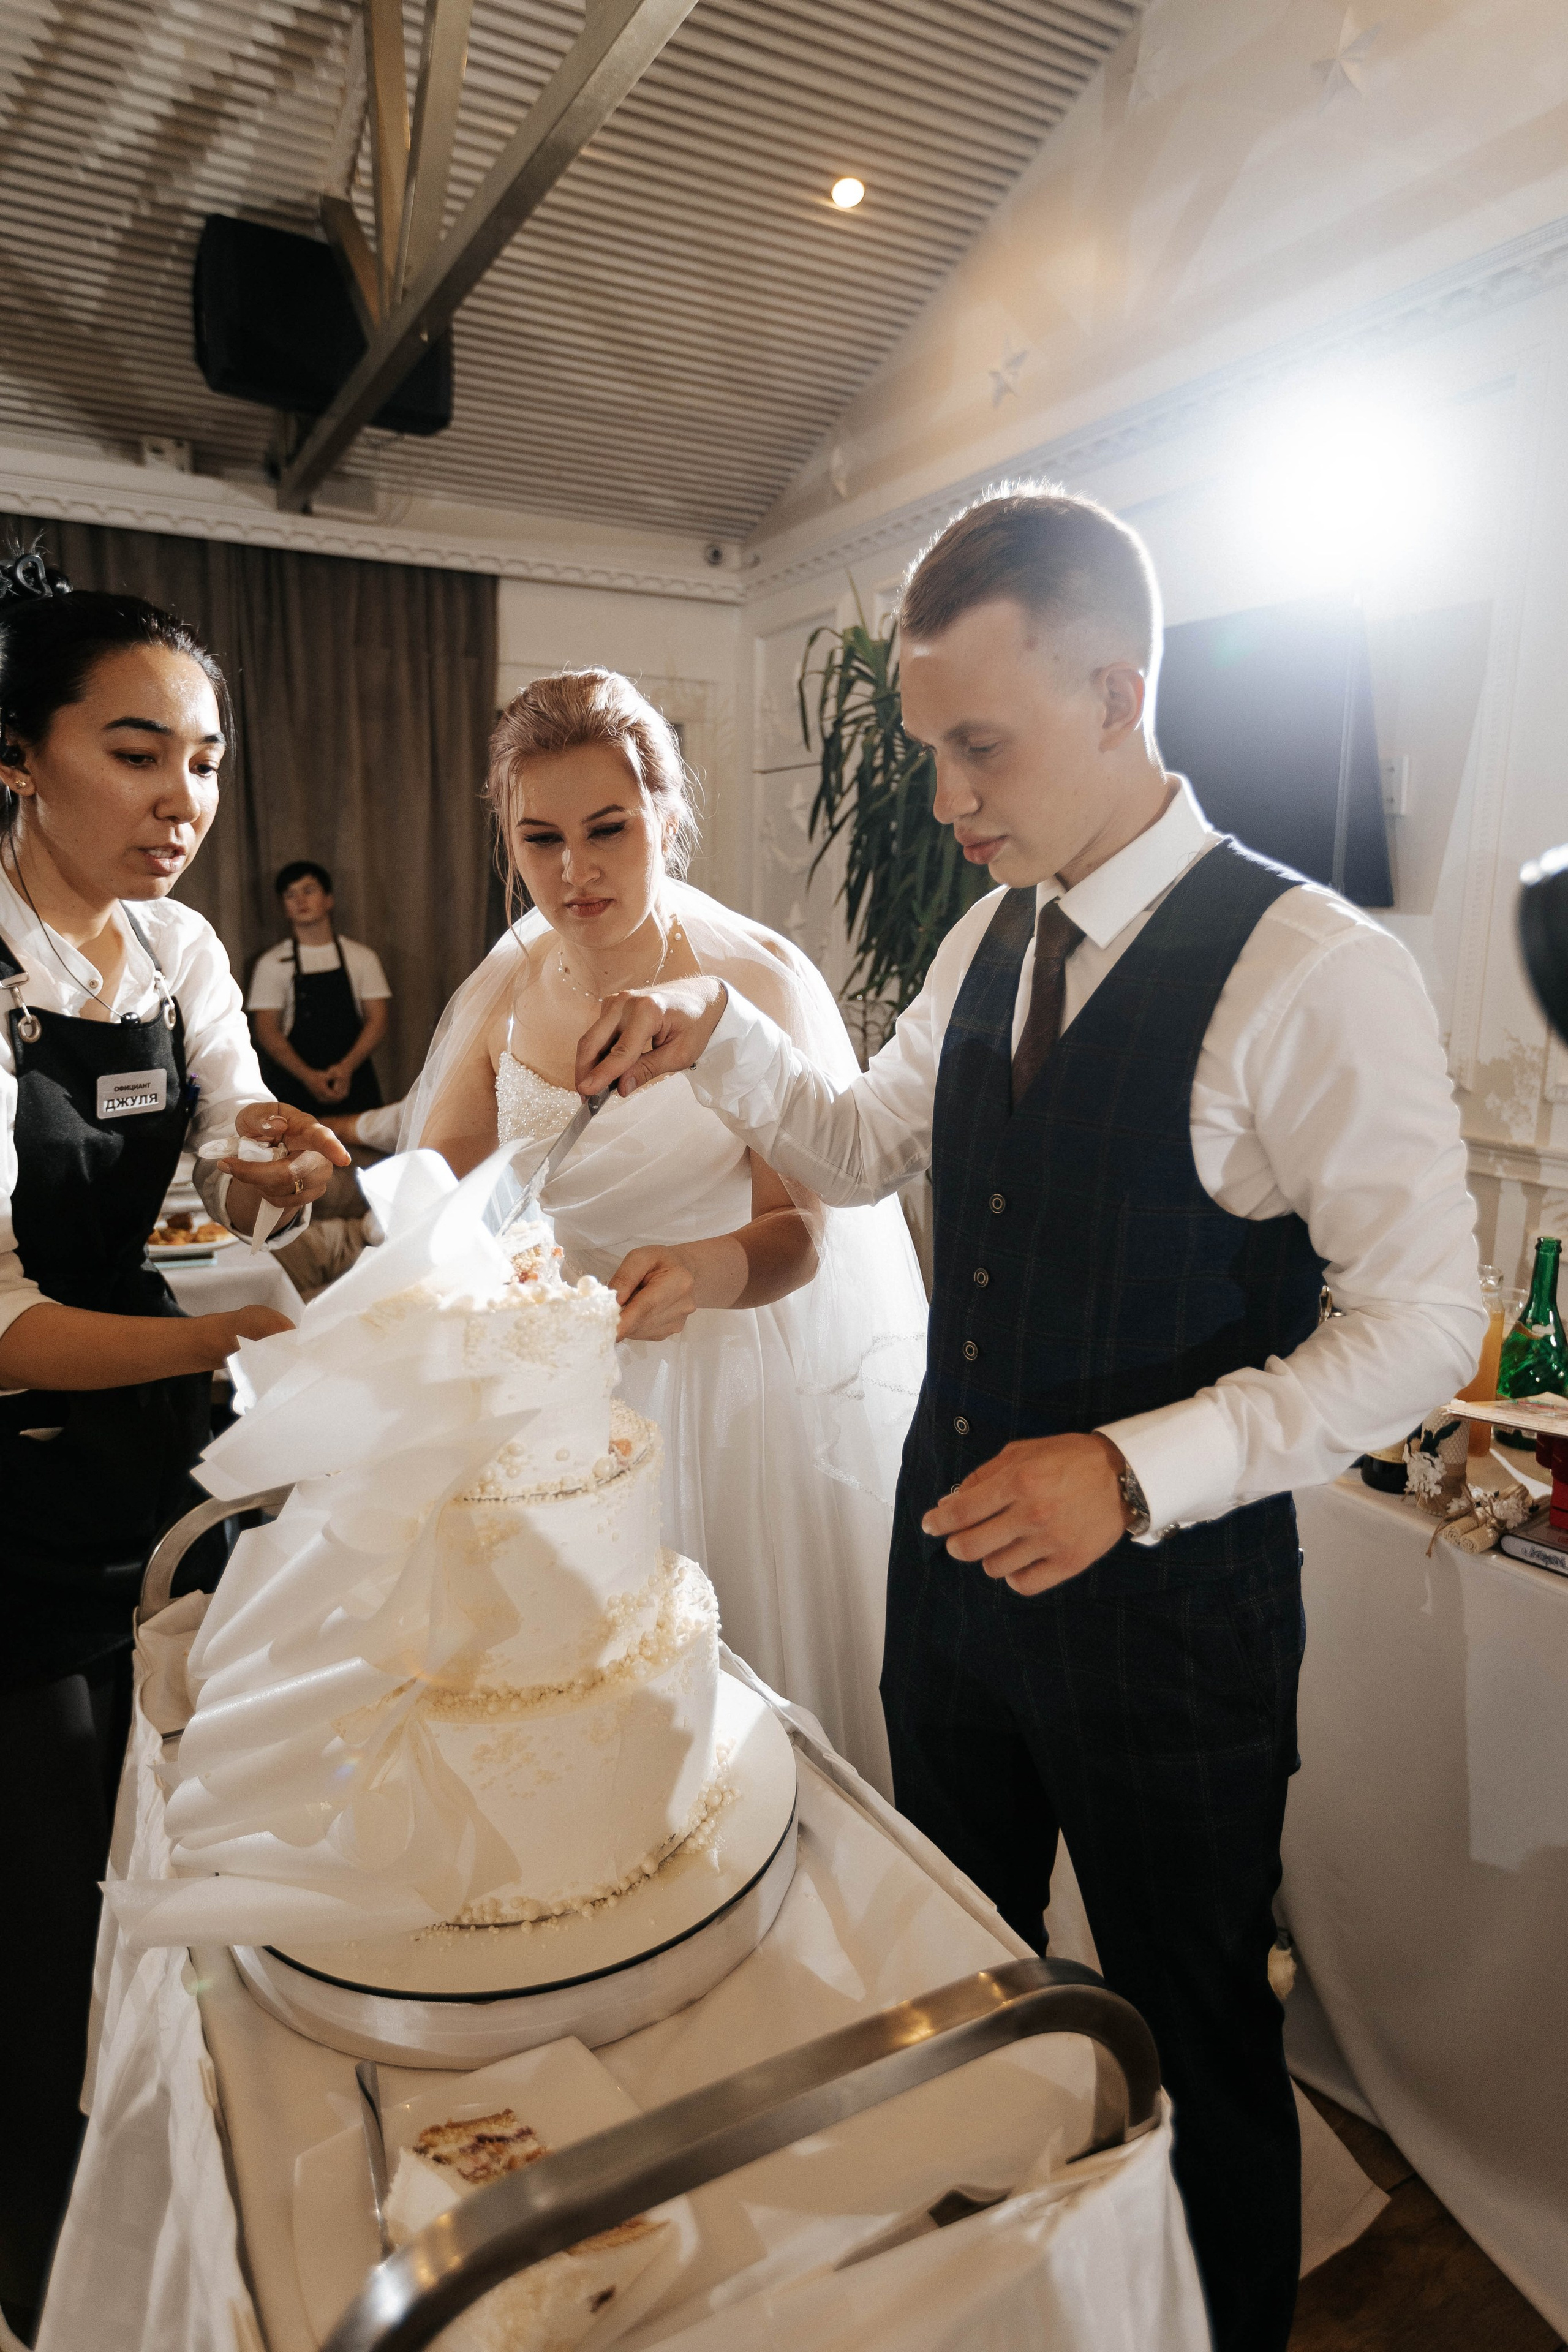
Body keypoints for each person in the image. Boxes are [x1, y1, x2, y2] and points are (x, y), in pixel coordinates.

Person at [568, 491, 1485, 2352]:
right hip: (954, 1599)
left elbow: (1425, 1324)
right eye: (925, 750)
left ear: (1114, 694)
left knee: (1191, 2021)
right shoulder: (992, 938)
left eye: (975, 744)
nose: (944, 797)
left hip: (1170, 1631)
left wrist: (1138, 1467)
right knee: (960, 1972)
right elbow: (853, 1148)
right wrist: (711, 1038)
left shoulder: (1313, 972)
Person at [0, 554, 350, 2340]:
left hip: (175, 1481)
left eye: (204, 763)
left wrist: (272, 1172)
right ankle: (57, 2270)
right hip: (22, 1499)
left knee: (193, 1861)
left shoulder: (184, 947)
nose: (182, 805)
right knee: (47, 1916)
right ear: (19, 756)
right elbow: (1, 1327)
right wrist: (239, 1323)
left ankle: (187, 2201)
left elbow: (220, 1163)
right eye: (138, 755)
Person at [404, 668, 927, 1793]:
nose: (574, 872)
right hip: (557, 1376)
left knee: (730, 1723)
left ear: (668, 818)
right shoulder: (509, 977)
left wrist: (706, 1269)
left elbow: (808, 1231)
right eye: (539, 839)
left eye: (609, 830)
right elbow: (448, 1170)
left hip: (726, 1378)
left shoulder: (753, 981)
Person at [249, 858, 390, 1114]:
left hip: (355, 1081)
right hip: (293, 1085)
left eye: (309, 890)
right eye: (291, 895)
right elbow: (267, 1031)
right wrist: (308, 1076)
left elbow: (378, 1021)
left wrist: (346, 1069)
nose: (300, 900)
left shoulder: (362, 958)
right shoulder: (271, 963)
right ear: (285, 908)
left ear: (329, 899)